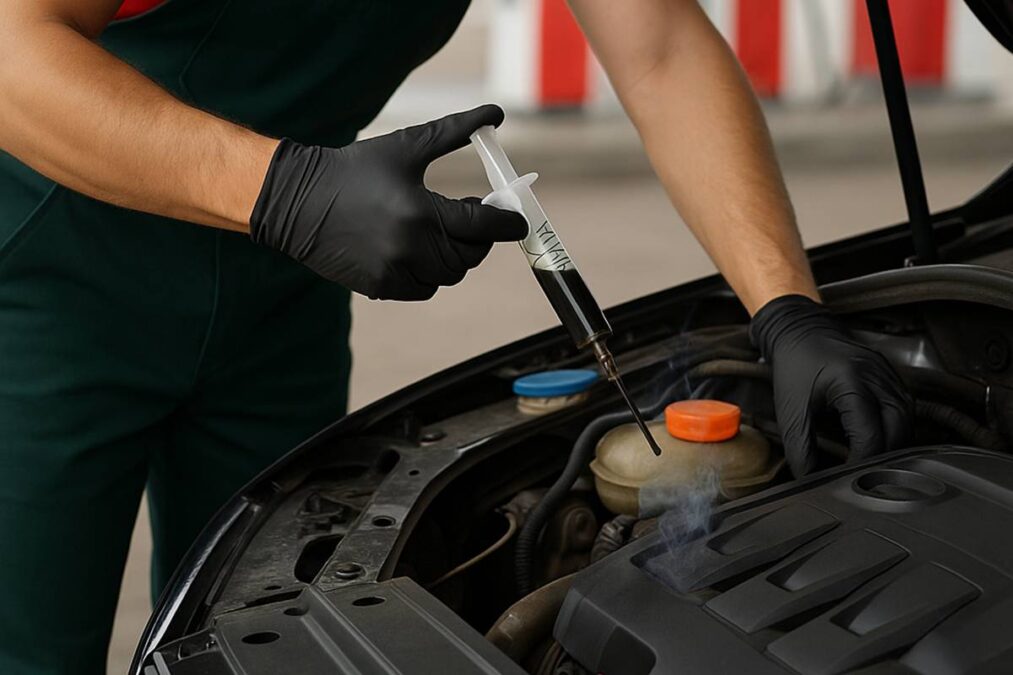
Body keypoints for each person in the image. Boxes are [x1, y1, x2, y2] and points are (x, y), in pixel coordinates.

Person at [0, 0, 911, 672]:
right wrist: (284, 192)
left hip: (282, 284)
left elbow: (662, 48)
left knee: (255, 636)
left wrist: (785, 307)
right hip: (48, 270)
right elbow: (13, 43)